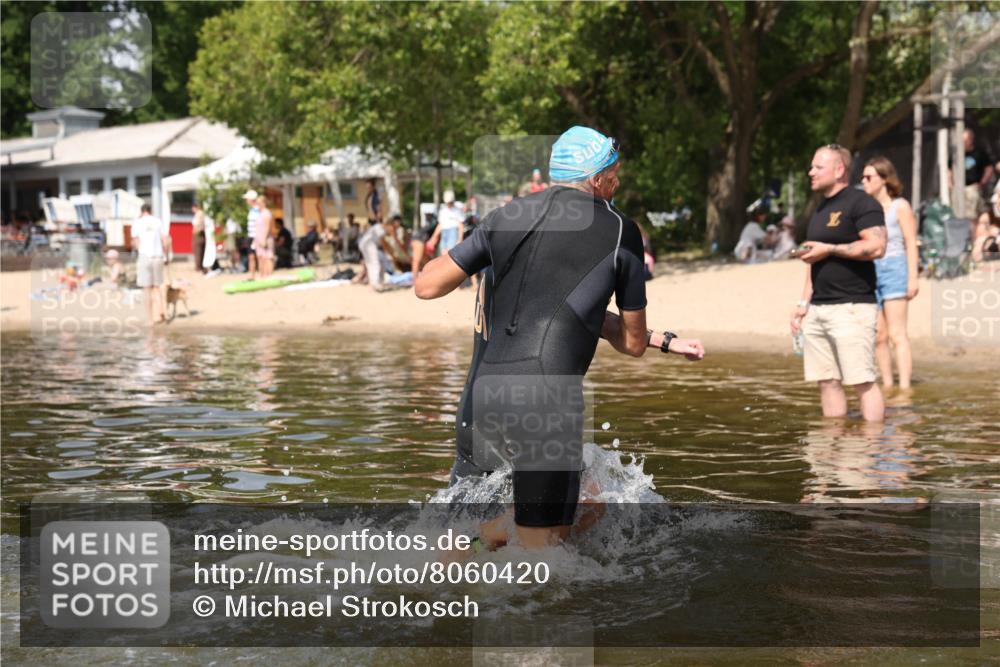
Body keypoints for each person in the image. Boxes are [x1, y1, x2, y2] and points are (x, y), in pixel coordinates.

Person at [415, 125, 705, 550]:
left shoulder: (507, 215)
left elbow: (426, 286)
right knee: (541, 560)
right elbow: (631, 343)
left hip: (479, 399)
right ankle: (486, 540)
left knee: (591, 500)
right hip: (546, 399)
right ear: (596, 178)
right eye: (614, 173)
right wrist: (652, 340)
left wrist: (664, 339)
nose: (617, 182)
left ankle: (444, 567)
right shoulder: (620, 229)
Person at [790, 144, 887, 422]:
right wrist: (802, 304)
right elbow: (813, 260)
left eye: (818, 167)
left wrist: (830, 249)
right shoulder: (820, 209)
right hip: (819, 308)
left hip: (853, 307)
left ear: (839, 169)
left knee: (862, 381)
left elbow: (877, 246)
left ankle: (871, 448)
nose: (811, 172)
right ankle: (833, 450)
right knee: (827, 380)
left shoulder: (862, 203)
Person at [862, 157, 919, 391]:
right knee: (878, 336)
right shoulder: (866, 209)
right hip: (871, 272)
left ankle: (905, 389)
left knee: (897, 334)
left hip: (895, 269)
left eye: (868, 177)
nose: (863, 181)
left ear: (884, 179)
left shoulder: (900, 206)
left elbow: (911, 243)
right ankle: (886, 386)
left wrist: (913, 278)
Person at [132, 203, 170, 324]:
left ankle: (150, 319)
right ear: (151, 210)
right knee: (158, 287)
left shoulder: (137, 223)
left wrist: (140, 251)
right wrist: (166, 255)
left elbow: (136, 242)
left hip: (145, 256)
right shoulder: (158, 221)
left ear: (141, 211)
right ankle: (162, 311)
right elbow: (165, 241)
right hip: (158, 256)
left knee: (147, 289)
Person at [356, 217, 387, 291]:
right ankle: (375, 283)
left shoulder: (375, 227)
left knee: (370, 264)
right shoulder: (380, 228)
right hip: (368, 245)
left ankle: (374, 282)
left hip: (363, 244)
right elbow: (384, 243)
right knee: (375, 263)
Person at [432, 190, 465, 254]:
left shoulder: (457, 210)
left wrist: (460, 238)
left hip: (453, 232)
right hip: (444, 232)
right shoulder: (443, 211)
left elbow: (461, 225)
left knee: (449, 253)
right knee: (443, 253)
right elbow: (440, 225)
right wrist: (434, 237)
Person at [252, 195, 274, 278]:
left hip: (266, 238)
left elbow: (268, 227)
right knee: (260, 257)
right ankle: (262, 275)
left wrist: (264, 239)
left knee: (268, 257)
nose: (257, 204)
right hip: (258, 238)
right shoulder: (259, 214)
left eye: (259, 203)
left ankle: (269, 275)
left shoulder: (266, 213)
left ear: (264, 203)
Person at [243, 189, 260, 278]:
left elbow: (259, 225)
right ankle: (252, 274)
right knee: (251, 256)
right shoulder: (252, 210)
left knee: (258, 256)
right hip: (251, 235)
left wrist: (257, 237)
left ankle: (261, 274)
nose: (246, 201)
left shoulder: (257, 210)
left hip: (255, 236)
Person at [191, 203, 206, 274]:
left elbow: (198, 225)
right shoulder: (202, 213)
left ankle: (198, 267)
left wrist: (195, 231)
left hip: (198, 234)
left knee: (198, 251)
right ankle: (200, 266)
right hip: (201, 234)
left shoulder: (199, 214)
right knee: (200, 251)